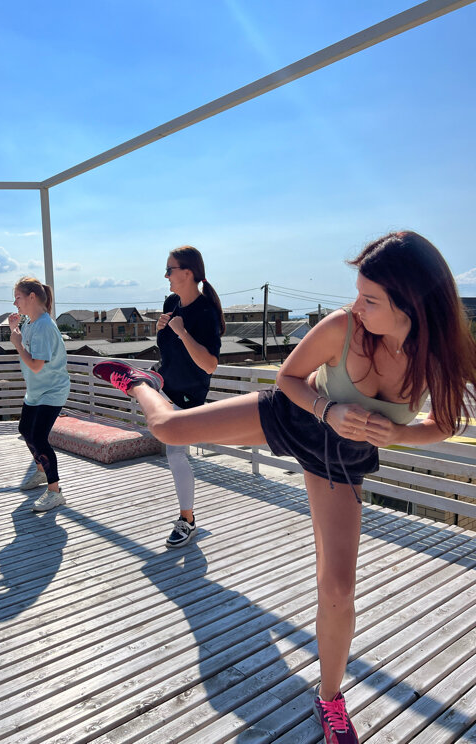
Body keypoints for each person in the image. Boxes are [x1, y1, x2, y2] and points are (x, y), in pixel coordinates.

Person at [93, 231, 476, 743]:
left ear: (410, 304)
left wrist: (400, 434)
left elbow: (446, 422)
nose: (356, 307)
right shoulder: (342, 327)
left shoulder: (438, 357)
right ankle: (141, 382)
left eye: (370, 299)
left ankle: (330, 700)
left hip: (340, 460)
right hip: (294, 415)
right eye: (357, 293)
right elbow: (287, 380)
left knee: (337, 587)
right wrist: (328, 409)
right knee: (167, 429)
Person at [155, 245, 224, 548]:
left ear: (187, 272)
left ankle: (188, 520)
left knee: (175, 454)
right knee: (172, 452)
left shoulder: (206, 313)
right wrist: (161, 328)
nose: (166, 275)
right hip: (165, 386)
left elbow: (209, 365)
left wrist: (182, 333)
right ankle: (142, 382)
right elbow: (168, 349)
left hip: (187, 396)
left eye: (169, 270)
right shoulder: (172, 302)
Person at [9, 277, 70, 512]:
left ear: (32, 297)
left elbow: (36, 365)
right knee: (25, 430)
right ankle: (42, 470)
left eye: (18, 297)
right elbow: (26, 349)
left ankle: (55, 492)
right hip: (36, 390)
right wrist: (15, 331)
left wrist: (17, 343)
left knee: (39, 437)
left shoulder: (44, 325)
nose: (15, 303)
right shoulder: (30, 323)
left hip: (52, 390)